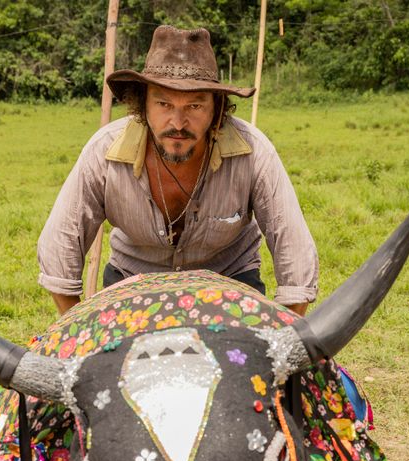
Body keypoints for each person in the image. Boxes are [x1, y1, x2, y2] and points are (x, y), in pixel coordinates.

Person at [37, 25, 318, 317]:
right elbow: (61, 242)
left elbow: (294, 250)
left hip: (228, 284)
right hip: (131, 283)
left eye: (195, 105)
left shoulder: (254, 152)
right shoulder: (104, 151)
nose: (178, 122)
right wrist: (78, 329)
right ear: (142, 104)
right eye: (163, 103)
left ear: (217, 109)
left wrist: (287, 343)